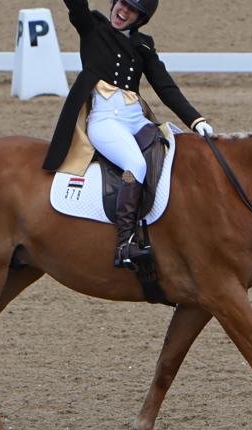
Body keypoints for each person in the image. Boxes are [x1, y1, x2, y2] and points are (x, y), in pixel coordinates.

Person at [42, 0, 214, 269]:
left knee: (177, 150)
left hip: (135, 117)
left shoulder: (144, 44)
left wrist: (196, 120)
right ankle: (125, 243)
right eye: (122, 2)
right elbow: (76, 5)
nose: (123, 11)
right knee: (135, 164)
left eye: (132, 9)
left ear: (140, 18)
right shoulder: (92, 28)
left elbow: (165, 87)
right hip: (105, 119)